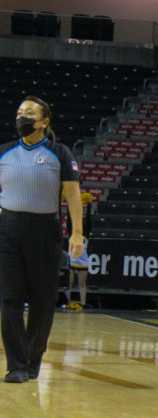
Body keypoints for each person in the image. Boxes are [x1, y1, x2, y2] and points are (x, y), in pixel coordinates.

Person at [0, 95, 83, 383]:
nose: (22, 116)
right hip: (8, 229)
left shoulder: (60, 153)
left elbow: (72, 194)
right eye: (20, 111)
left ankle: (33, 359)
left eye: (30, 113)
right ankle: (16, 364)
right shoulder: (5, 152)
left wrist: (76, 233)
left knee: (42, 301)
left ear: (44, 122)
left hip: (45, 231)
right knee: (9, 299)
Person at [67, 235, 89, 310]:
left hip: (82, 260)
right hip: (71, 258)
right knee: (69, 282)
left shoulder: (86, 232)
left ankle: (83, 303)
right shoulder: (72, 231)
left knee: (82, 283)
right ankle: (68, 302)